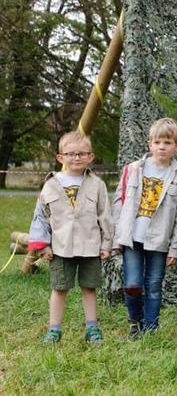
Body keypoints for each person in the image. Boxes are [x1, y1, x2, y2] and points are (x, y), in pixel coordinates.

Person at [29, 131, 113, 344]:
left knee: (89, 287)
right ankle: (54, 329)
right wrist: (42, 246)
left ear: (91, 157)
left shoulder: (97, 185)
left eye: (82, 154)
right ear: (60, 157)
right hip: (60, 248)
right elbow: (41, 218)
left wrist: (107, 243)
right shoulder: (51, 184)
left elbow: (105, 215)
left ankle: (92, 328)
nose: (77, 158)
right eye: (71, 154)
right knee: (59, 288)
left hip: (90, 246)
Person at [111, 118, 177, 339]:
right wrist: (117, 236)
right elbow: (119, 202)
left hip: (159, 240)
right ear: (149, 144)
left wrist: (175, 249)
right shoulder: (133, 169)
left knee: (154, 286)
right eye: (157, 142)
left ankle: (151, 329)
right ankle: (135, 321)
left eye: (167, 142)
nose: (161, 147)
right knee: (133, 284)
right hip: (132, 238)